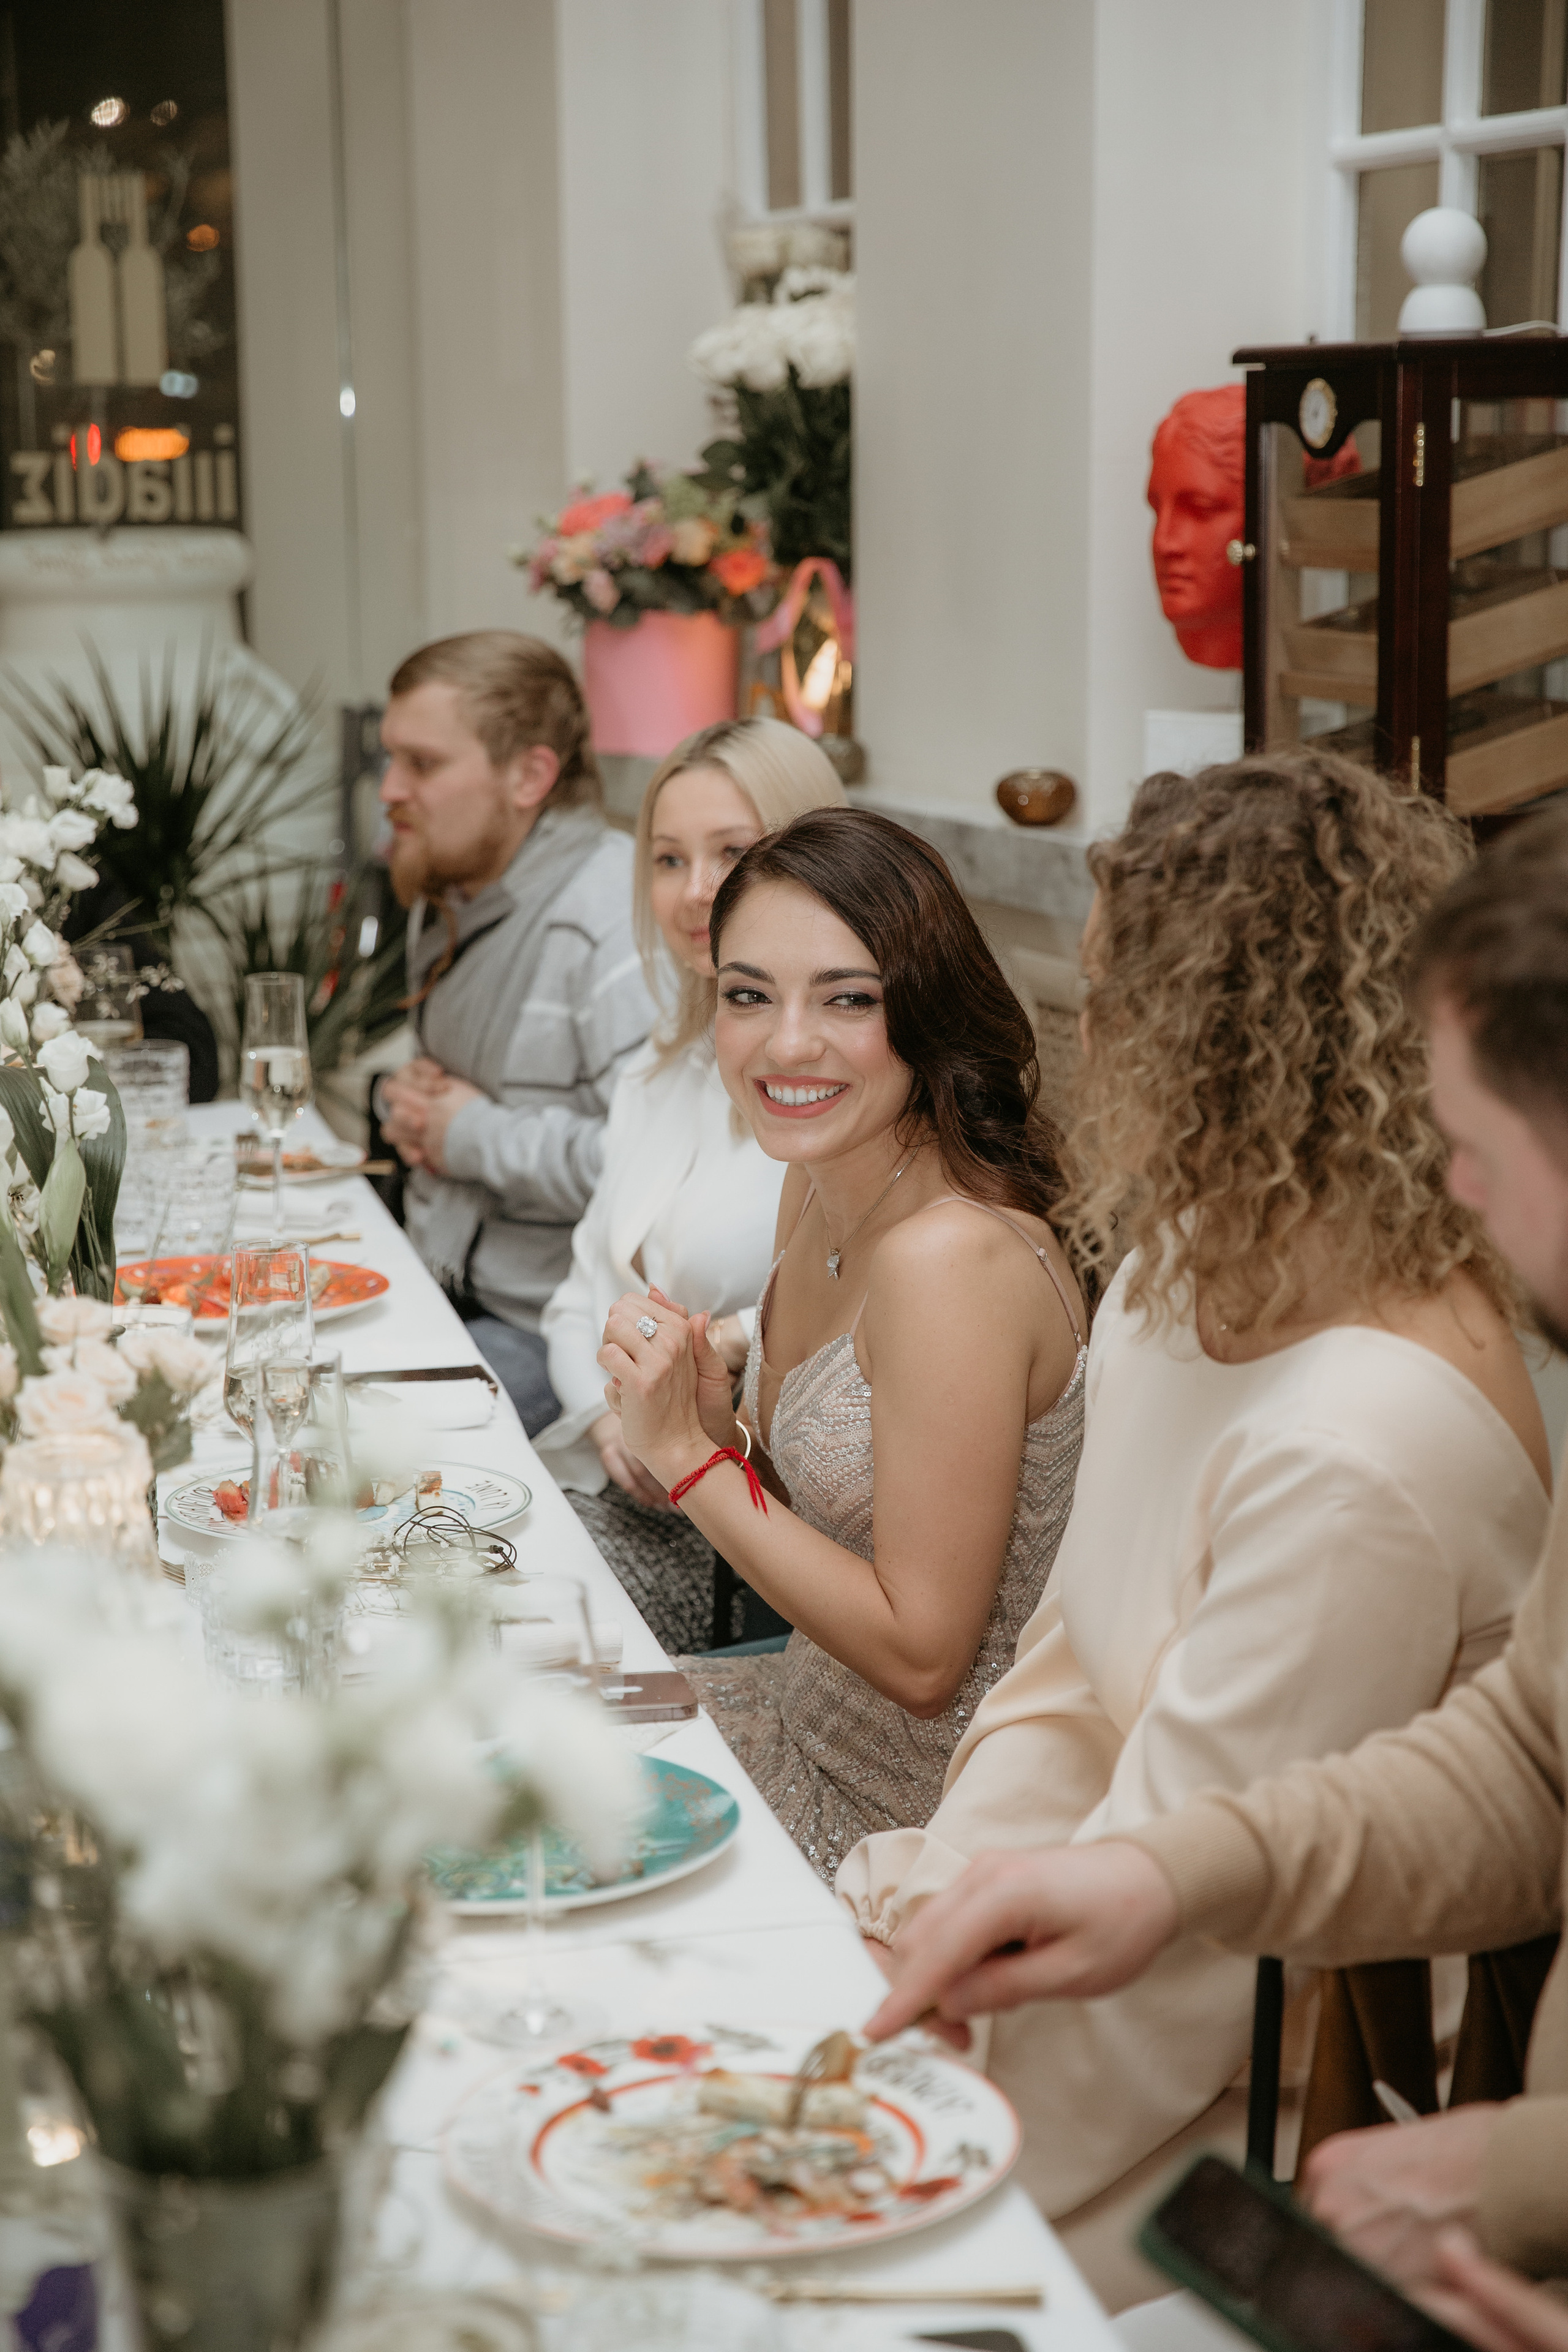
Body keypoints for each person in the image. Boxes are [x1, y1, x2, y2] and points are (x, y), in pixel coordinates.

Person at [832, 755, 1549, 2296]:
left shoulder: (1355, 1445)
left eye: (1106, 1013)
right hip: (1122, 1939)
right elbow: (1064, 1674)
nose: (1087, 1057)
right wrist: (946, 1907)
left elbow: (1195, 1984)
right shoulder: (1175, 1275)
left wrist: (919, 2119)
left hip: (1283, 2072)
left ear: (1204, 1046)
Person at [595, 807, 1088, 1880]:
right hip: (794, 1713)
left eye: (847, 999)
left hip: (910, 1817)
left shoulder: (951, 1259)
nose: (786, 1045)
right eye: (748, 995)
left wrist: (689, 1460)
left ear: (926, 1010)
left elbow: (922, 1657)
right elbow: (840, 1530)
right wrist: (724, 1425)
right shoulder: (817, 1186)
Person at [534, 718, 845, 1651]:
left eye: (734, 853)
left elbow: (834, 1327)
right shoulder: (656, 1072)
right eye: (668, 859)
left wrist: (681, 1380)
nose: (696, 891)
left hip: (740, 1525)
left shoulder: (828, 1090)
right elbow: (574, 1296)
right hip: (617, 1478)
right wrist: (603, 1421)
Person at [374, 632, 653, 1434]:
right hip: (442, 1283)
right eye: (392, 759)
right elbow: (474, 1093)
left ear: (530, 775)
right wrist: (414, 1105)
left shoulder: (613, 924)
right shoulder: (452, 887)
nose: (389, 790)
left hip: (552, 1330)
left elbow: (647, 1176)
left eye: (422, 764)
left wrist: (471, 1135)